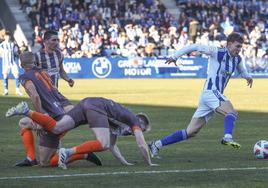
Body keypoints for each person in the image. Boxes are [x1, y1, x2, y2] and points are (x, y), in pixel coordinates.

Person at [148, 32, 253, 157]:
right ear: (229, 44)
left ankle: (156, 144)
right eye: (237, 46)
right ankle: (227, 137)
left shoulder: (237, 59)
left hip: (210, 96)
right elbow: (195, 46)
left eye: (241, 47)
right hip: (211, 92)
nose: (239, 50)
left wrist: (248, 77)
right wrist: (175, 56)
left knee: (191, 131)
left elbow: (243, 70)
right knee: (232, 112)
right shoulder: (217, 52)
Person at [6, 97, 157, 169]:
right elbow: (142, 144)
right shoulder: (133, 120)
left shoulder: (120, 120)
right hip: (95, 107)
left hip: (86, 103)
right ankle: (68, 152)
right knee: (101, 143)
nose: (137, 132)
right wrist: (149, 163)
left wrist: (125, 162)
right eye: (141, 130)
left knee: (57, 128)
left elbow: (112, 145)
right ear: (141, 122)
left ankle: (27, 111)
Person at [14, 51, 101, 167]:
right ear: (34, 61)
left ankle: (83, 154)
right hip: (63, 115)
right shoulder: (43, 72)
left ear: (21, 65)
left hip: (53, 119)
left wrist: (41, 118)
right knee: (24, 122)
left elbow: (35, 96)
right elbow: (54, 92)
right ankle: (31, 158)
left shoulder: (24, 77)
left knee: (46, 162)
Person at [0, 31, 22, 96]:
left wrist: (19, 61)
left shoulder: (13, 44)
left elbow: (17, 54)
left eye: (9, 35)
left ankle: (17, 90)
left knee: (17, 74)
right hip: (5, 63)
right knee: (5, 75)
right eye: (6, 36)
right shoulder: (1, 45)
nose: (8, 37)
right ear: (4, 37)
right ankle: (6, 90)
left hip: (13, 63)